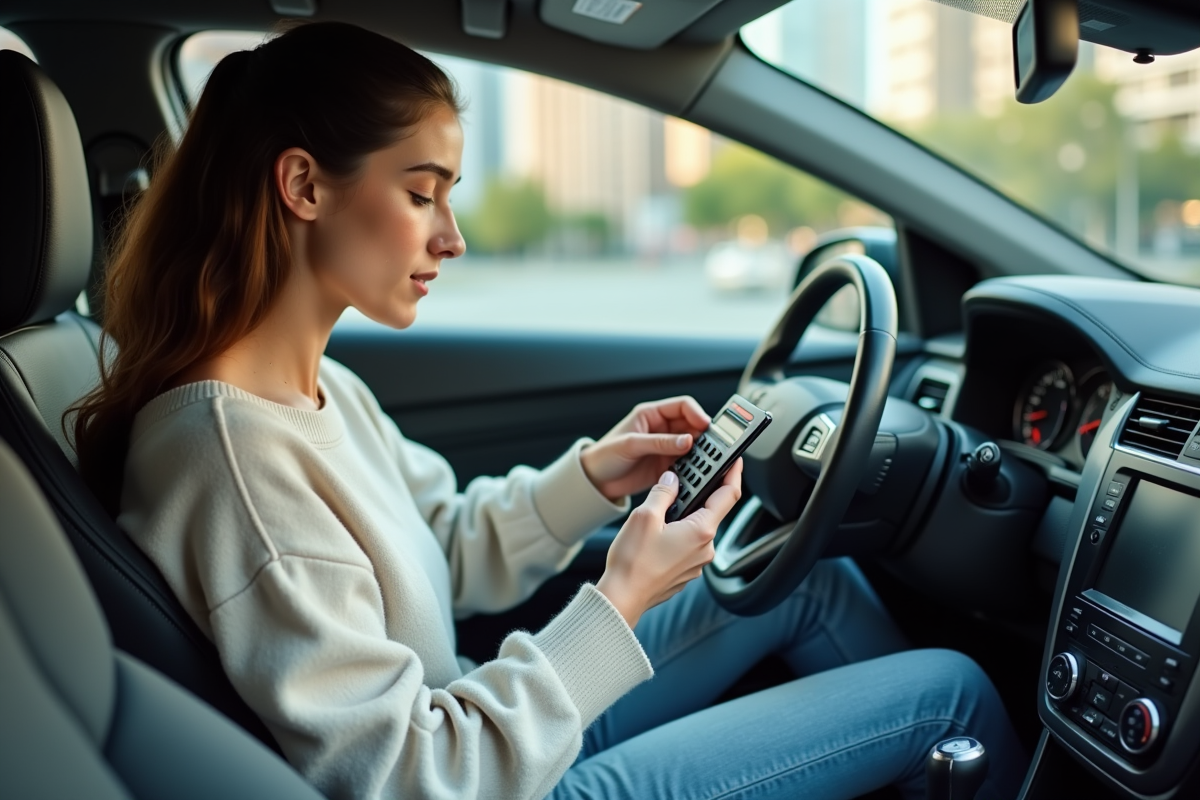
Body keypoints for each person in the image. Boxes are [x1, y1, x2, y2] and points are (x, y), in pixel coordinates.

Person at [71, 21, 1026, 800]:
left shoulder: (316, 389)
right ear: (304, 185)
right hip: (469, 775)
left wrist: (590, 479)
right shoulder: (230, 457)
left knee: (805, 578)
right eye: (421, 194)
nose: (450, 237)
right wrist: (623, 595)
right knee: (951, 696)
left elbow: (434, 552)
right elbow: (411, 775)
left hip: (486, 733)